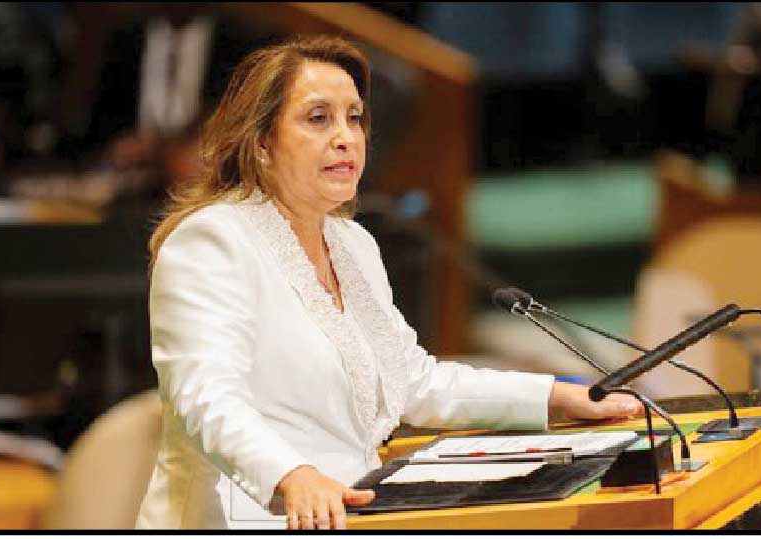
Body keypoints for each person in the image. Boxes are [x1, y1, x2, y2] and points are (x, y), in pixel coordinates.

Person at [135, 35, 643, 530]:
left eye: (354, 118)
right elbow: (206, 396)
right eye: (318, 118)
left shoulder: (352, 243)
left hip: (355, 512)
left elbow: (412, 382)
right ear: (262, 142)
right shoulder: (212, 241)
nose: (346, 137)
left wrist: (554, 398)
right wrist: (291, 475)